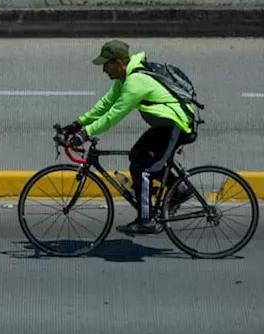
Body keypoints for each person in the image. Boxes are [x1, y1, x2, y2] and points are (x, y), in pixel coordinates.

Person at [63, 40, 195, 235]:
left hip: (177, 126)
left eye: (106, 65)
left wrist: (85, 134)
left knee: (142, 169)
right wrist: (79, 123)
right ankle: (179, 190)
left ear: (119, 63)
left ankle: (146, 220)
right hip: (165, 125)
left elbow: (113, 115)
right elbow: (106, 104)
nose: (103, 70)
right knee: (137, 156)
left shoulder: (135, 82)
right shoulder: (125, 78)